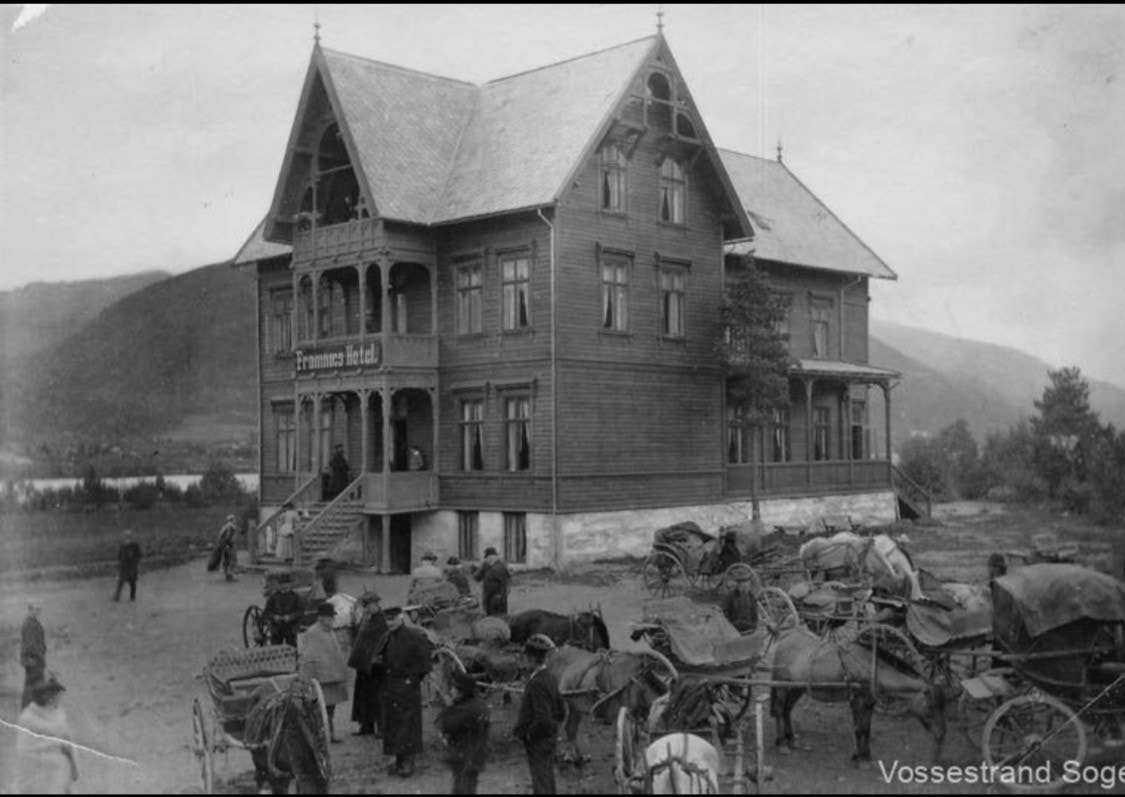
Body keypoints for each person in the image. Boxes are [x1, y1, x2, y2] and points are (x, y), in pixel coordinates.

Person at [380, 605, 434, 777]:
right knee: (394, 725)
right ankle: (398, 759)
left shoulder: (414, 636)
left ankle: (409, 761)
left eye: (393, 619)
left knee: (408, 724)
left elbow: (425, 663)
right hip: (392, 686)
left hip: (408, 687)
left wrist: (412, 680)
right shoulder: (387, 637)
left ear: (401, 617)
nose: (390, 623)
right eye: (387, 620)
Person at [514, 634, 565, 795]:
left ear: (531, 659)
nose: (524, 662)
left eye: (526, 658)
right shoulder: (551, 678)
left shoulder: (536, 683)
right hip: (549, 738)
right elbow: (561, 711)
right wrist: (553, 730)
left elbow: (542, 719)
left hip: (538, 741)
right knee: (547, 779)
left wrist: (529, 734)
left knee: (541, 783)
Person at [13, 674, 78, 794]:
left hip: (53, 775)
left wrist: (73, 767)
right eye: (57, 695)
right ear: (49, 697)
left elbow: (67, 744)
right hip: (45, 777)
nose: (60, 699)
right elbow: (25, 750)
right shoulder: (31, 718)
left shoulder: (57, 715)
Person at [298, 603, 350, 743]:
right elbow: (309, 656)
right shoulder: (313, 632)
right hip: (321, 678)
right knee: (321, 708)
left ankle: (329, 734)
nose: (332, 619)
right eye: (329, 616)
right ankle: (321, 736)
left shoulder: (330, 631)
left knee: (331, 708)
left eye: (332, 617)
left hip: (333, 676)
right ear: (321, 617)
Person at [437, 670, 490, 795]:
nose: (451, 691)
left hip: (464, 760)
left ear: (462, 692)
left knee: (462, 790)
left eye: (454, 689)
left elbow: (446, 725)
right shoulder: (478, 705)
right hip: (472, 759)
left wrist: (449, 707)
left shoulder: (465, 710)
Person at [348, 591, 388, 737]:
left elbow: (383, 642)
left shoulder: (382, 621)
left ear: (376, 604)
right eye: (365, 606)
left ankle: (381, 728)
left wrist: (377, 659)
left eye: (369, 605)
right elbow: (359, 637)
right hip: (363, 665)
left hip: (375, 667)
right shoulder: (366, 619)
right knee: (363, 696)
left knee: (377, 697)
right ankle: (366, 726)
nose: (366, 608)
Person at [321, 574, 357, 659]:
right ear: (336, 586)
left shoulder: (327, 604)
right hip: (350, 632)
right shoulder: (349, 598)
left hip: (336, 633)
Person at [263, 572, 302, 647]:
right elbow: (267, 612)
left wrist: (291, 617)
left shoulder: (295, 597)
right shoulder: (274, 597)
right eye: (282, 584)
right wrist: (274, 617)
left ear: (290, 585)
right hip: (277, 627)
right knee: (275, 648)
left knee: (291, 647)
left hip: (290, 627)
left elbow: (300, 612)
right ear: (279, 585)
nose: (285, 586)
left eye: (287, 583)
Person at [20, 601, 46, 710]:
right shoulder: (29, 624)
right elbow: (31, 646)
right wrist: (40, 658)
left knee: (35, 685)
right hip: (33, 660)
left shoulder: (34, 623)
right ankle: (27, 710)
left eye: (40, 609)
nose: (39, 612)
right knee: (33, 686)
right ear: (30, 609)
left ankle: (31, 710)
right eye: (36, 609)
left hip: (34, 659)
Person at [720, 569, 759, 634]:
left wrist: (754, 627)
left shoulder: (751, 598)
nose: (745, 585)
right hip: (734, 629)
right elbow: (724, 613)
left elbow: (755, 614)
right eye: (741, 583)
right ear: (737, 584)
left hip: (749, 629)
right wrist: (730, 627)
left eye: (746, 583)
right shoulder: (730, 597)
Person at [474, 547, 511, 616]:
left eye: (487, 558)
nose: (486, 560)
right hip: (488, 598)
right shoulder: (486, 566)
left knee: (498, 617)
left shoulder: (501, 567)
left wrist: (501, 598)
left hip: (497, 599)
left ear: (492, 557)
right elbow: (477, 578)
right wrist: (480, 568)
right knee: (489, 616)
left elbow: (504, 584)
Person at [114, 529, 142, 601]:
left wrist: (134, 562)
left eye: (129, 537)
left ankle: (132, 597)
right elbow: (120, 556)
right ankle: (116, 596)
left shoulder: (135, 546)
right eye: (126, 537)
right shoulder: (122, 546)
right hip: (124, 566)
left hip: (132, 566)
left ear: (131, 537)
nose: (127, 539)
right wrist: (120, 564)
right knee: (120, 581)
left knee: (132, 583)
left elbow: (139, 555)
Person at [217, 515, 238, 581]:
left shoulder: (226, 526)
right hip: (228, 546)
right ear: (232, 520)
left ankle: (228, 576)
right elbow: (228, 537)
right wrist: (229, 544)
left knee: (227, 560)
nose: (235, 520)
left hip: (225, 545)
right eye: (234, 519)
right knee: (231, 560)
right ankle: (229, 576)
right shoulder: (230, 527)